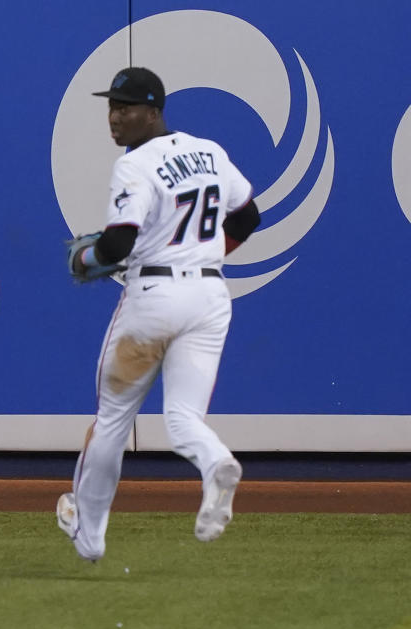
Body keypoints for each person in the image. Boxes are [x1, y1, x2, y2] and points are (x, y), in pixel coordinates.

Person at [56, 68, 262, 560]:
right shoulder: (209, 150)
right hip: (210, 299)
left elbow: (117, 243)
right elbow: (248, 215)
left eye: (126, 108)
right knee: (184, 416)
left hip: (152, 299)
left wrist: (88, 259)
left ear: (154, 112)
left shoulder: (135, 165)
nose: (115, 117)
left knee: (111, 421)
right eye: (112, 106)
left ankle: (90, 534)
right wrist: (204, 254)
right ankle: (217, 464)